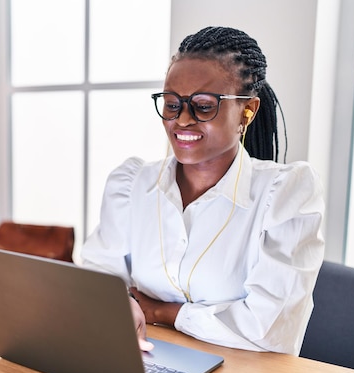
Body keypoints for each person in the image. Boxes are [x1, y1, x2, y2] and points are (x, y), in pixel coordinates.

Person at [81, 26, 325, 355]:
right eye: (171, 104)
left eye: (204, 106)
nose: (182, 120)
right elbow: (99, 272)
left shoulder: (285, 195)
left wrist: (160, 311)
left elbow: (269, 329)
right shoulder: (133, 184)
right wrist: (122, 301)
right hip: (147, 359)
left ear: (247, 111)